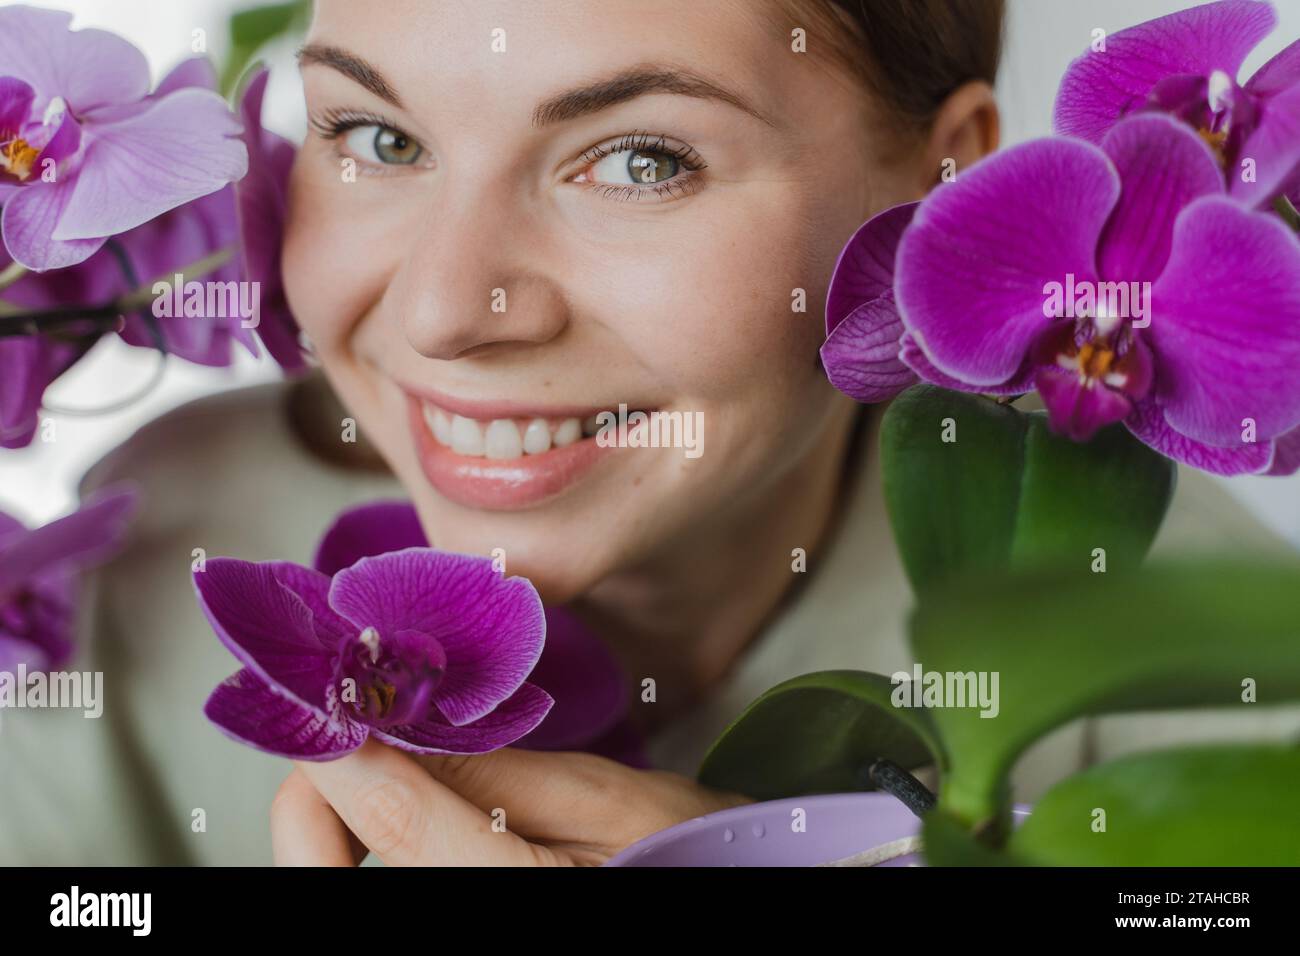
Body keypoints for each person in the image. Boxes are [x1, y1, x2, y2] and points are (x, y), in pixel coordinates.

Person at [2, 0, 1295, 866]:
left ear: (950, 175)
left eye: (639, 162)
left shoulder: (1205, 654)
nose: (449, 312)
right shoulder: (140, 567)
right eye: (376, 136)